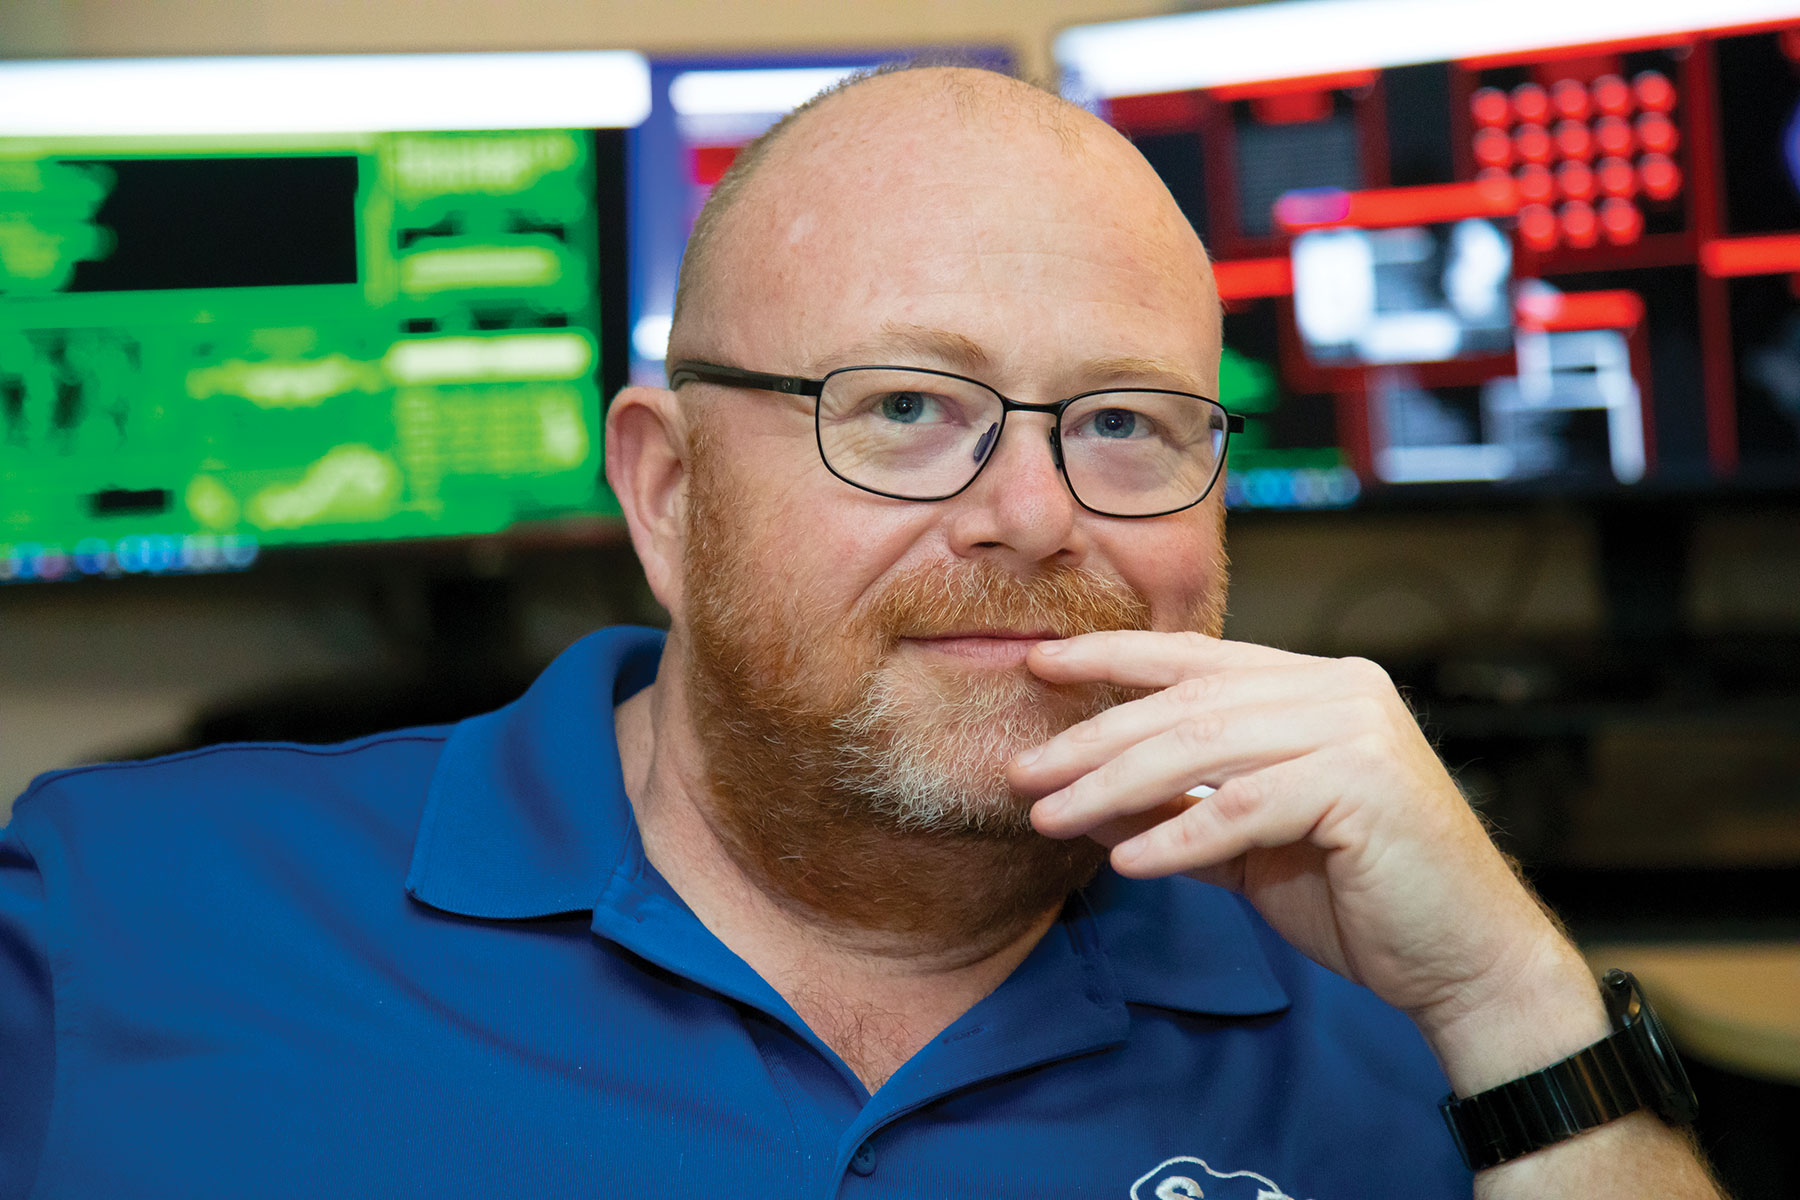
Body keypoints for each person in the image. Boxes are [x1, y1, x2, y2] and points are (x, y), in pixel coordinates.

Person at [0, 66, 1722, 1199]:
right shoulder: (118, 922)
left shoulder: (1415, 1032)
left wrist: (1512, 1002)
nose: (1035, 514)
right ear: (667, 493)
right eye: (904, 407)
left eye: (1124, 421)